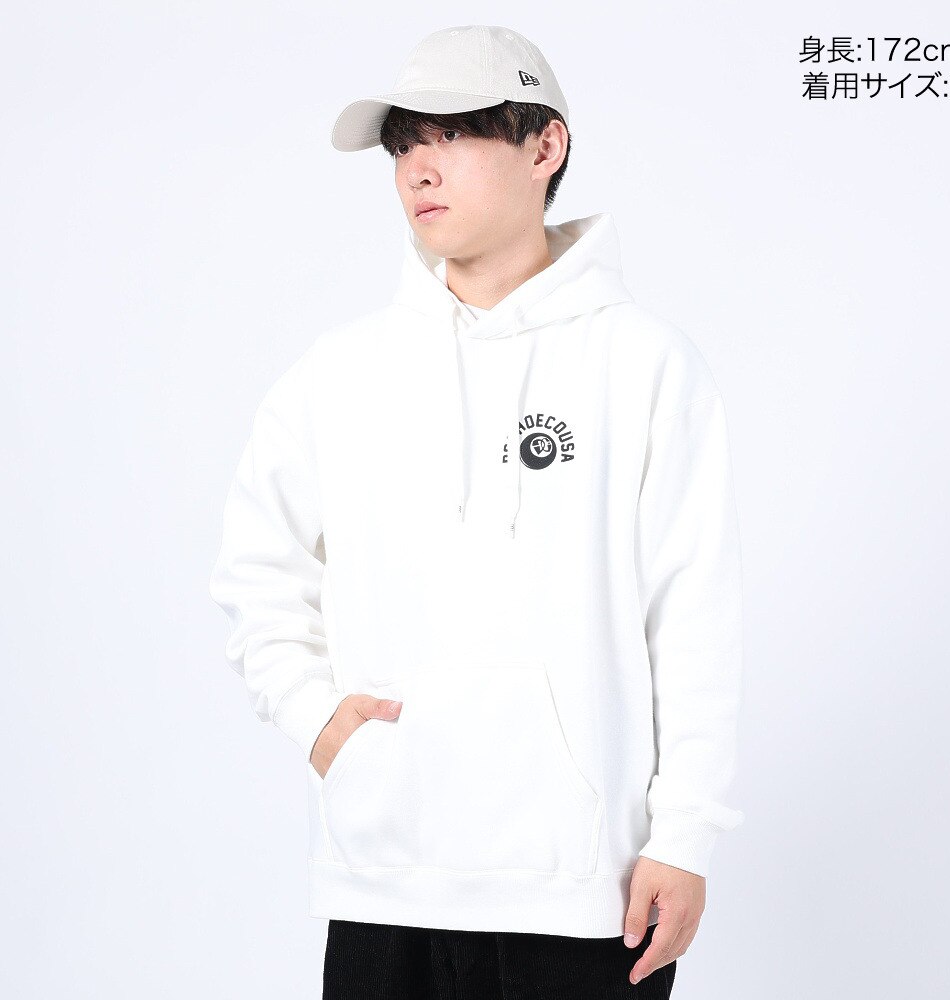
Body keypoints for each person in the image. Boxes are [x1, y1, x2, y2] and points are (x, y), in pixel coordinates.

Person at [209, 23, 745, 999]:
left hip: (587, 894)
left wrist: (686, 836)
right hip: (383, 880)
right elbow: (255, 569)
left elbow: (693, 615)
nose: (419, 168)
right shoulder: (340, 373)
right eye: (403, 145)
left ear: (545, 147)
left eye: (451, 134)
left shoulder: (646, 366)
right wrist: (316, 717)